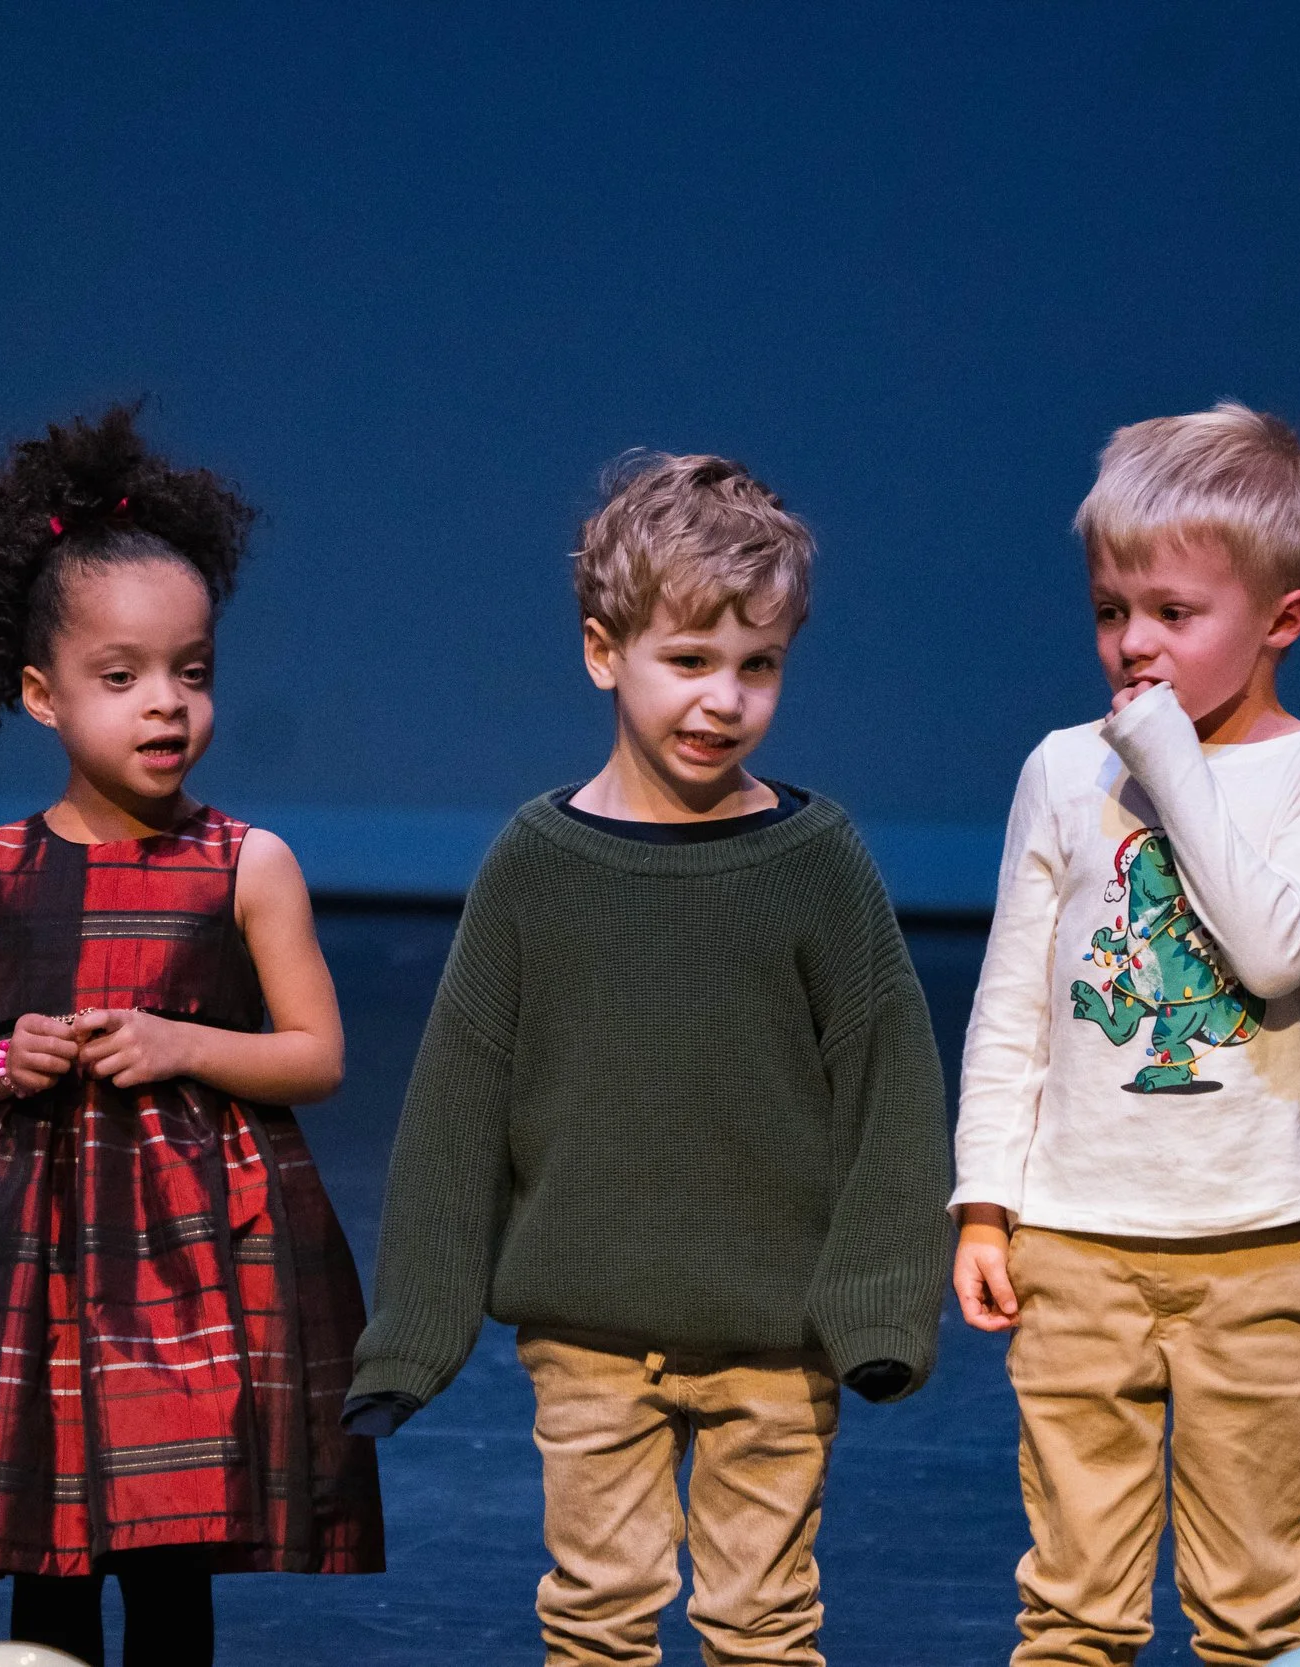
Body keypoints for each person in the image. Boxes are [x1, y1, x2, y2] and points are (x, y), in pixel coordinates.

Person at [347, 452, 951, 1666]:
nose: (723, 699)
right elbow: (458, 1101)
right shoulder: (536, 862)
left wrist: (879, 1306)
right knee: (596, 1615)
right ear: (601, 650)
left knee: (761, 1621)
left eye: (757, 665)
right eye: (688, 660)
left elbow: (889, 1082)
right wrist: (412, 1333)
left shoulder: (815, 858)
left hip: (773, 1342)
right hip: (586, 1340)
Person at [0, 407, 384, 1667]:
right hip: (32, 1252)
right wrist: (3, 1063)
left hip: (194, 1257)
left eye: (191, 673)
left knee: (168, 1543)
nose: (166, 705)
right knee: (48, 1545)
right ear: (41, 694)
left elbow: (315, 1054)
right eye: (122, 677)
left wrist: (179, 1042)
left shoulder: (248, 862)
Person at [951, 402, 1300, 1665]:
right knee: (1073, 1606)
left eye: (1173, 613)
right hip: (1078, 1244)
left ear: (1282, 620)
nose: (1132, 642)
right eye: (1110, 609)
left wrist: (1164, 756)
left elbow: (1272, 949)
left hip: (1263, 1248)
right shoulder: (1060, 767)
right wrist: (985, 1202)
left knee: (1253, 1606)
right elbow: (1011, 1001)